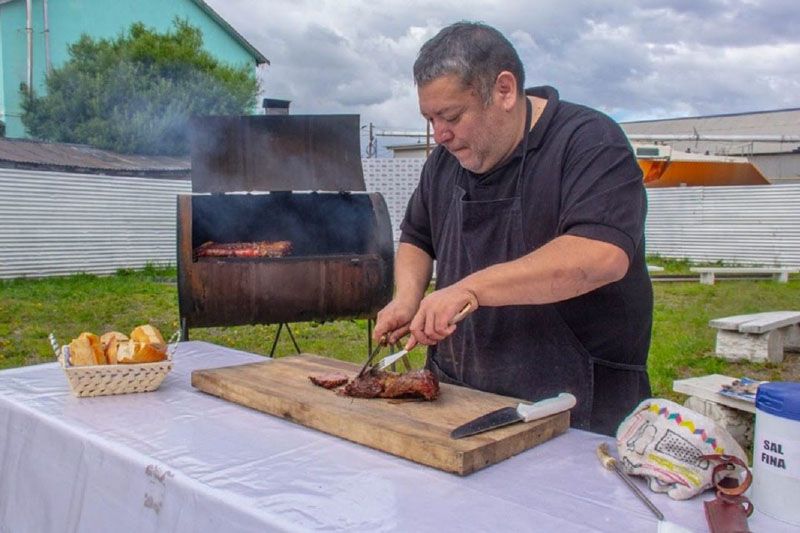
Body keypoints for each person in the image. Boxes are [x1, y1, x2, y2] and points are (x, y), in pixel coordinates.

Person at [372, 21, 653, 436]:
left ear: (504, 90)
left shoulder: (589, 142)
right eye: (430, 119)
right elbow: (417, 236)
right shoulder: (444, 163)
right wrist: (407, 298)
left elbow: (601, 255)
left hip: (576, 411)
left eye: (450, 116)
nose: (440, 135)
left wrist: (469, 289)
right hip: (460, 399)